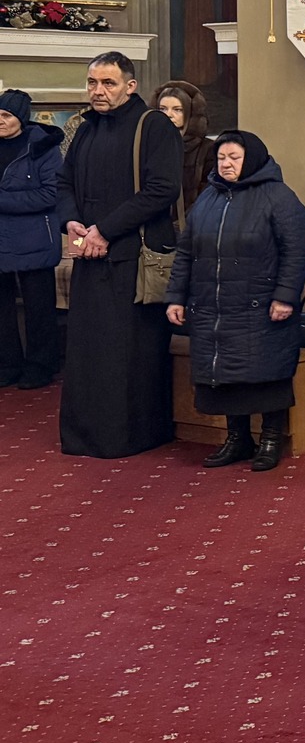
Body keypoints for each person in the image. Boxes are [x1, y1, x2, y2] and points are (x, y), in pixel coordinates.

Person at [167, 132, 305, 473]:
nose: (226, 164)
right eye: (221, 158)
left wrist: (285, 297)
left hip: (262, 305)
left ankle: (271, 439)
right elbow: (186, 252)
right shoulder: (208, 197)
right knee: (225, 375)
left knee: (267, 373)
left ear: (252, 159)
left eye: (234, 157)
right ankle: (238, 439)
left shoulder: (278, 196)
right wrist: (176, 297)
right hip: (215, 306)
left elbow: (297, 252)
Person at [59, 53, 182, 457]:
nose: (98, 91)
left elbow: (162, 189)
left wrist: (106, 230)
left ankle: (128, 436)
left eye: (108, 83)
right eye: (92, 82)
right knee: (87, 351)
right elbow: (63, 183)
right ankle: (85, 435)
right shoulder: (85, 128)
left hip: (133, 258)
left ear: (130, 86)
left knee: (127, 354)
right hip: (90, 256)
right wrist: (72, 222)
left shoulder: (153, 125)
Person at [0, 89, 69, 390]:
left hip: (34, 240)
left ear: (21, 118)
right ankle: (7, 365)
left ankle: (41, 366)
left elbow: (50, 194)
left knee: (39, 309)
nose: (0, 121)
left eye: (5, 115)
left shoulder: (42, 147)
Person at [152, 80, 212, 212]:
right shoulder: (149, 148)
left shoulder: (207, 150)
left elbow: (208, 198)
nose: (168, 115)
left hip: (191, 221)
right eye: (162, 109)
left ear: (190, 113)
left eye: (177, 110)